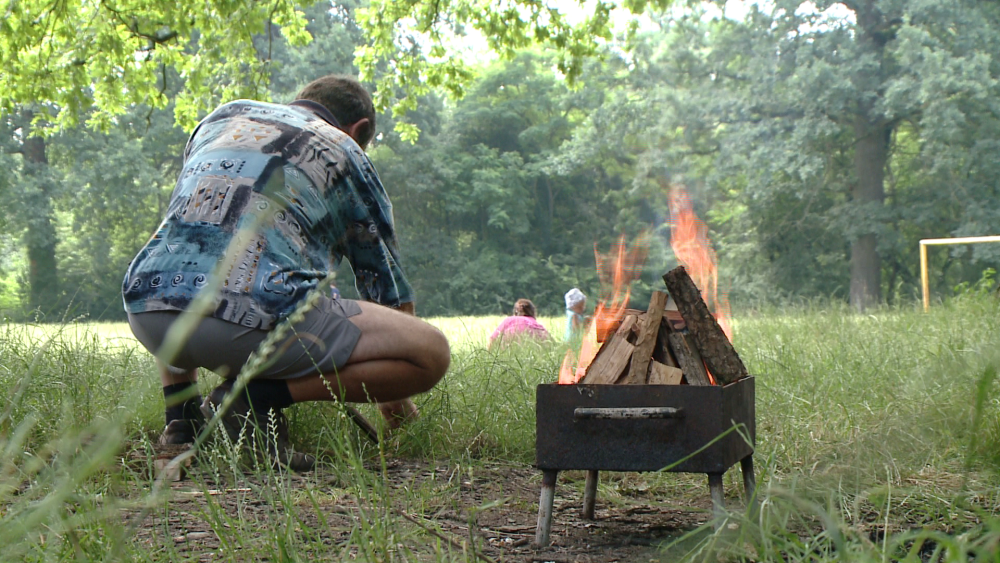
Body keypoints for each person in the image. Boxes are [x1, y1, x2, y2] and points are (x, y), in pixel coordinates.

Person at [122, 75, 450, 471]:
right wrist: (396, 404)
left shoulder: (223, 118)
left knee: (194, 252)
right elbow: (390, 294)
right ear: (360, 129)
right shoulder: (346, 149)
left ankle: (182, 421)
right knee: (430, 352)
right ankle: (249, 401)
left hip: (147, 310)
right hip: (250, 323)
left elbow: (199, 220)